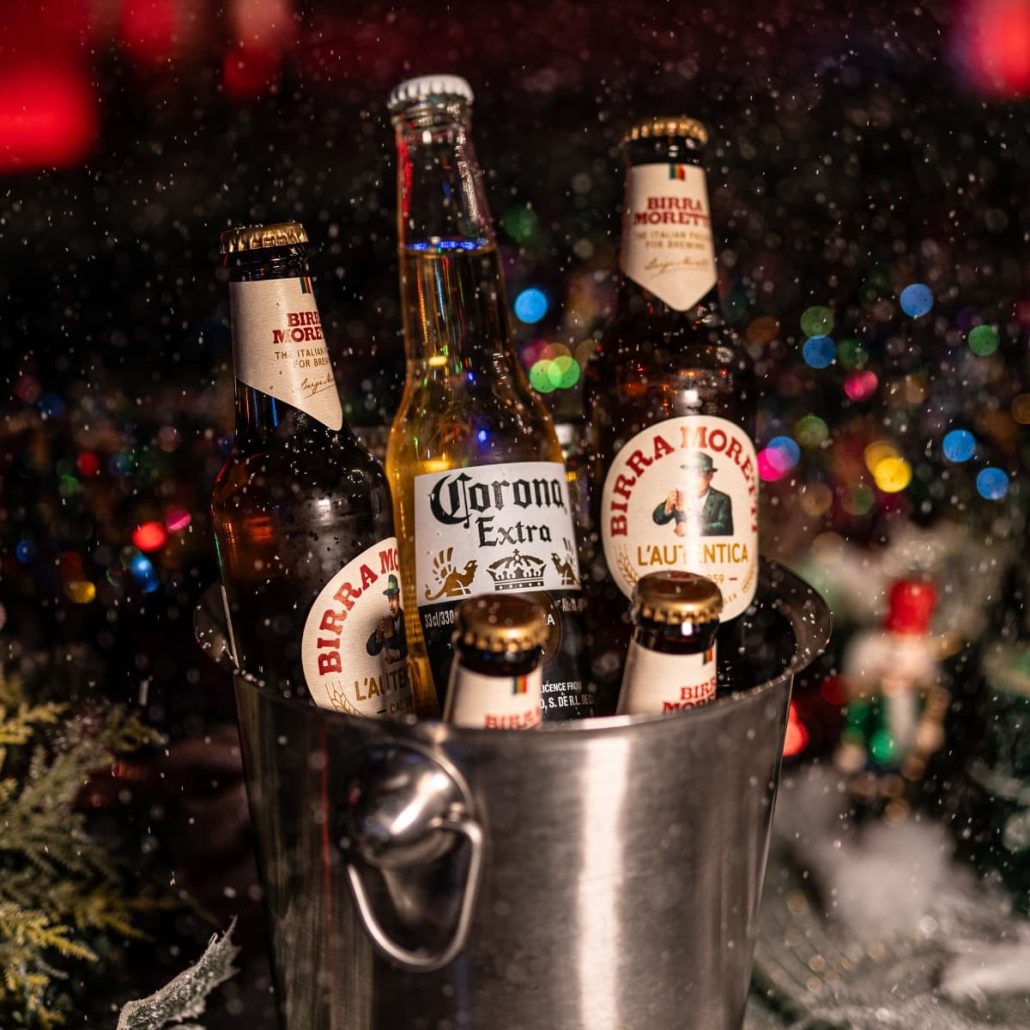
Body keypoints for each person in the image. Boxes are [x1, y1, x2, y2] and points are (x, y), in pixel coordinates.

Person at [652, 452, 733, 537]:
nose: (695, 479)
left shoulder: (721, 499)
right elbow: (658, 519)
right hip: (682, 548)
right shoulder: (681, 495)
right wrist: (667, 508)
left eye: (700, 474)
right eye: (692, 474)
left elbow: (724, 528)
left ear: (710, 476)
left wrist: (691, 529)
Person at [365, 574, 408, 662]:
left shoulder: (407, 618)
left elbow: (417, 643)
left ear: (399, 598)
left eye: (394, 599)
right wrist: (378, 636)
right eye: (389, 599)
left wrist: (399, 653)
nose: (391, 604)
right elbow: (371, 650)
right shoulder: (386, 620)